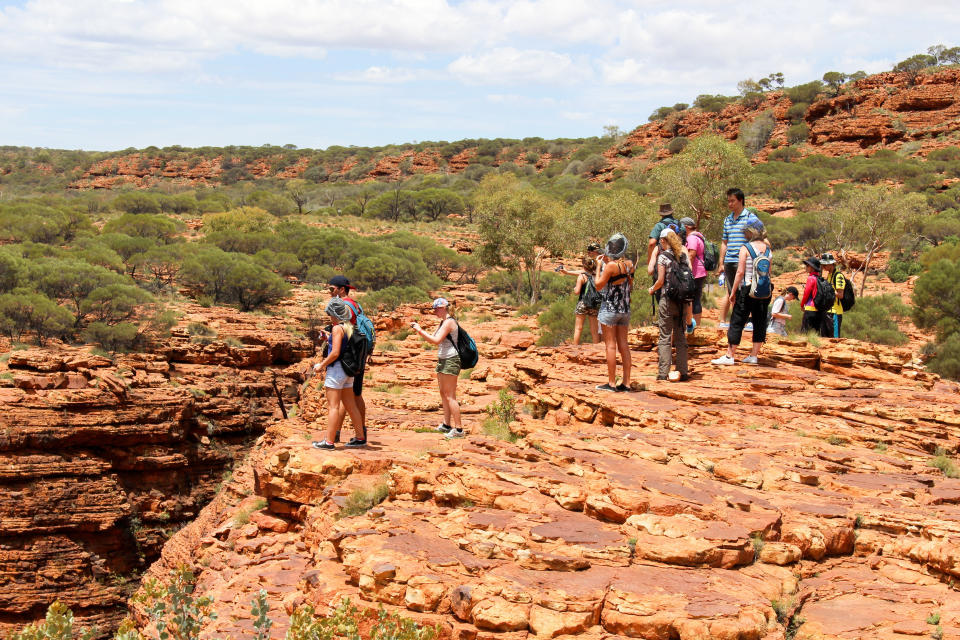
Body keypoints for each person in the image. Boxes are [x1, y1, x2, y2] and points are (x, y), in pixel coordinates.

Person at [712, 221, 772, 366]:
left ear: (751, 232)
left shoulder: (746, 248)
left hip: (746, 289)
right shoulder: (769, 250)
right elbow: (769, 273)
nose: (744, 234)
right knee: (760, 321)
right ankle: (754, 356)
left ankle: (729, 356)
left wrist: (733, 292)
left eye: (745, 231)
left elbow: (740, 272)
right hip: (764, 291)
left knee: (737, 321)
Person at [311, 298, 366, 450]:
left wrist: (321, 365)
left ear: (334, 313)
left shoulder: (337, 328)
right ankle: (360, 438)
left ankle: (328, 442)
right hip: (349, 372)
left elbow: (335, 353)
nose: (329, 316)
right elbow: (343, 345)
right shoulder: (349, 326)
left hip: (337, 371)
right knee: (350, 405)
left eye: (329, 313)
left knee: (333, 406)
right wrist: (328, 338)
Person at [411, 298, 464, 439]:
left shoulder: (449, 322)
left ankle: (459, 430)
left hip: (451, 359)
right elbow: (434, 339)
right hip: (443, 359)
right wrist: (421, 330)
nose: (434, 312)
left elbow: (435, 340)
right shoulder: (443, 322)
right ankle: (447, 425)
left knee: (450, 395)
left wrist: (419, 330)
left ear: (443, 308)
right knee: (443, 392)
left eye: (436, 309)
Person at [328, 275, 367, 440]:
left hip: (347, 357)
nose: (329, 292)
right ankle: (355, 432)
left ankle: (343, 434)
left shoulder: (344, 306)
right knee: (352, 395)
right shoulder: (356, 305)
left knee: (350, 396)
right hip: (358, 353)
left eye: (332, 289)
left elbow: (345, 329)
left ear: (341, 289)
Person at [648, 229, 689, 381]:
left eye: (661, 241)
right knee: (680, 336)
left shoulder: (663, 257)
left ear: (665, 241)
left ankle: (663, 372)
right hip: (682, 302)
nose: (660, 244)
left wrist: (652, 290)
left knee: (665, 336)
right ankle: (683, 371)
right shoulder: (683, 256)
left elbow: (660, 281)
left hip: (667, 300)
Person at [594, 233, 634, 392]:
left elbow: (598, 285)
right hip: (624, 309)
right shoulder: (629, 264)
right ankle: (627, 383)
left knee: (610, 346)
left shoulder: (610, 266)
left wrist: (599, 267)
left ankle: (611, 383)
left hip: (610, 310)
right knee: (624, 345)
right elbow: (628, 285)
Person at [717, 188, 761, 329]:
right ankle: (737, 321)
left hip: (746, 261)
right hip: (730, 261)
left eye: (732, 201)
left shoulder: (750, 218)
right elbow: (725, 242)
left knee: (746, 291)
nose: (730, 204)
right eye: (728, 201)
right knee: (732, 293)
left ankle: (748, 321)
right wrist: (721, 262)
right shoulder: (727, 220)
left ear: (740, 200)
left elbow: (761, 238)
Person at [647, 204, 681, 305]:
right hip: (679, 259)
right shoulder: (680, 224)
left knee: (662, 294)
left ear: (661, 214)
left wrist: (650, 260)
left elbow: (652, 242)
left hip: (663, 261)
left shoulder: (659, 226)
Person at [681, 217, 707, 333]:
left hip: (695, 272)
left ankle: (694, 326)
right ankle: (697, 325)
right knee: (696, 298)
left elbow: (691, 255)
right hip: (700, 271)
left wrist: (686, 272)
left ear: (686, 227)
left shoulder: (691, 238)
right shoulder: (699, 236)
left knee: (692, 299)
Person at [571, 255, 601, 344]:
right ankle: (596, 348)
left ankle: (575, 348)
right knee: (594, 330)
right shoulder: (596, 276)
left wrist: (574, 289)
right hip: (594, 304)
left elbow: (577, 291)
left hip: (583, 303)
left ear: (584, 266)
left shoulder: (582, 276)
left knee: (578, 328)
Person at [820, 253, 845, 338]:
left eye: (825, 265)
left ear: (831, 264)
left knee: (834, 339)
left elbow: (840, 295)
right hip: (827, 311)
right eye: (823, 265)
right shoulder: (829, 275)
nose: (823, 267)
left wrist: (829, 289)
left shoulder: (838, 276)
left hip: (835, 312)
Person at [800, 257, 822, 335]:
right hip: (818, 310)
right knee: (815, 333)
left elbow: (806, 293)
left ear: (812, 267)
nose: (806, 267)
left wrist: (802, 304)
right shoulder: (819, 278)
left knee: (805, 333)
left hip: (810, 308)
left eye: (807, 265)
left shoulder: (811, 278)